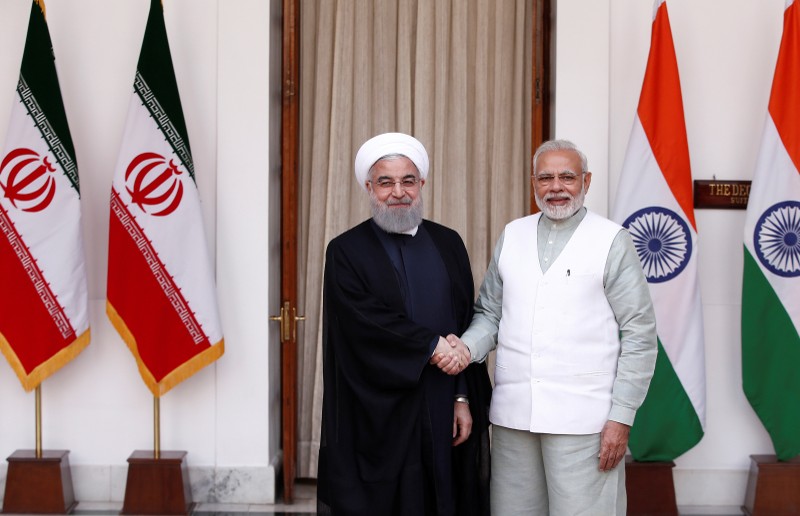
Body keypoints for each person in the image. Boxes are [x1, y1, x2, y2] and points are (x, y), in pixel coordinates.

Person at [434, 139, 657, 515]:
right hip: (514, 419)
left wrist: (622, 415)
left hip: (585, 422)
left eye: (567, 177)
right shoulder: (513, 234)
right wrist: (466, 349)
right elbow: (490, 312)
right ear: (533, 183)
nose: (556, 187)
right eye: (546, 177)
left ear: (586, 180)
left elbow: (640, 333)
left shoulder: (611, 240)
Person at [317, 132, 491, 516]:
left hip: (444, 398)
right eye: (386, 182)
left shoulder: (448, 243)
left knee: (445, 496)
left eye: (408, 181)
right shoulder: (346, 250)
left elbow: (464, 324)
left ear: (422, 184)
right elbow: (363, 323)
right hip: (378, 410)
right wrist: (430, 346)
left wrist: (463, 397)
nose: (398, 192)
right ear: (369, 187)